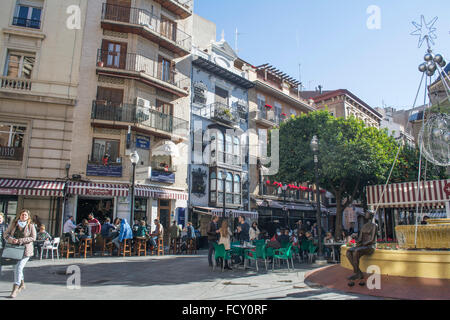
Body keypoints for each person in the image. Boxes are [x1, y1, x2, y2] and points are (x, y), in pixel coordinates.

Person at [4, 209, 36, 298]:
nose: (23, 216)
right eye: (22, 215)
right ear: (20, 215)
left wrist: (20, 240)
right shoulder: (14, 224)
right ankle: (22, 283)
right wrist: (11, 239)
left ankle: (15, 288)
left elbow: (33, 237)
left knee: (18, 267)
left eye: (25, 215)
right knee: (16, 267)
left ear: (28, 217)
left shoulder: (30, 225)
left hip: (26, 251)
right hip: (14, 250)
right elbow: (6, 234)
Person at [346, 210, 377, 281]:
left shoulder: (374, 226)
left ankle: (357, 273)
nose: (365, 214)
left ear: (371, 215)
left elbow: (372, 240)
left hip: (369, 246)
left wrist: (363, 244)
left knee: (356, 251)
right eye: (366, 213)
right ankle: (358, 272)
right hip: (362, 246)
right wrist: (355, 237)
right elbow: (360, 239)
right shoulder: (364, 226)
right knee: (348, 251)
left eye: (367, 213)